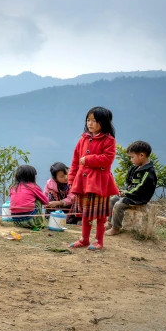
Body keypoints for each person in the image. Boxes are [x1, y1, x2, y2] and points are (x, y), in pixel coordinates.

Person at [68, 106, 119, 251]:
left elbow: (107, 159)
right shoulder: (83, 139)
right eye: (88, 120)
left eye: (94, 120)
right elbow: (75, 161)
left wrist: (88, 159)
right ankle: (84, 239)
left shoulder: (109, 140)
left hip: (99, 183)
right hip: (83, 183)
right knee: (86, 213)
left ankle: (99, 241)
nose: (90, 123)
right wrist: (71, 180)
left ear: (104, 122)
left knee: (100, 214)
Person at [107, 141, 158, 236]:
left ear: (142, 155)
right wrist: (123, 191)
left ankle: (116, 228)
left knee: (119, 204)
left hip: (139, 197)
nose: (131, 159)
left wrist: (126, 193)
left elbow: (141, 187)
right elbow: (129, 183)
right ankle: (110, 223)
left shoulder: (148, 172)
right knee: (113, 199)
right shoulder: (135, 168)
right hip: (131, 194)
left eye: (132, 157)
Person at [9, 165, 51, 230]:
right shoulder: (33, 187)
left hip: (16, 220)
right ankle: (38, 222)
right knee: (38, 200)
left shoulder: (13, 187)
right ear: (31, 177)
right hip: (30, 220)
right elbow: (46, 201)